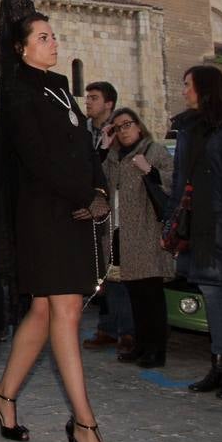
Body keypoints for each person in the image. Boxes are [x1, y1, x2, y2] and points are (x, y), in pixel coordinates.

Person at [0, 0, 119, 442]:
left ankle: (3, 396)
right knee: (64, 311)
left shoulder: (61, 88)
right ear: (21, 50)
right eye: (42, 37)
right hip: (45, 215)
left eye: (53, 34)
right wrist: (86, 195)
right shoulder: (19, 93)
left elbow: (85, 149)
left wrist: (99, 188)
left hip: (75, 208)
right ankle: (84, 425)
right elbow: (38, 160)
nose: (53, 41)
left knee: (44, 312)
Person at [169, 65, 222, 400]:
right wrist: (175, 225)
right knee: (211, 294)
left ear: (205, 88)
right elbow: (180, 181)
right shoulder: (189, 128)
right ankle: (220, 363)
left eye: (188, 85)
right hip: (199, 225)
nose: (184, 91)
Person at [100, 107, 174, 368]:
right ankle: (142, 346)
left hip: (147, 233)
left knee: (152, 295)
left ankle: (156, 350)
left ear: (139, 126)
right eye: (117, 127)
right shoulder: (115, 157)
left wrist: (150, 170)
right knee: (135, 295)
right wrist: (105, 148)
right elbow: (102, 183)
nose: (123, 130)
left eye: (127, 124)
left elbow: (172, 181)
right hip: (122, 233)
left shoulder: (154, 151)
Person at [81, 80, 134, 355]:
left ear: (109, 103)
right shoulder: (86, 130)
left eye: (94, 97)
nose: (88, 101)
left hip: (117, 211)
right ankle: (108, 326)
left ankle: (126, 331)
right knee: (104, 272)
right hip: (95, 209)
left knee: (119, 272)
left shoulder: (119, 131)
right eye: (88, 97)